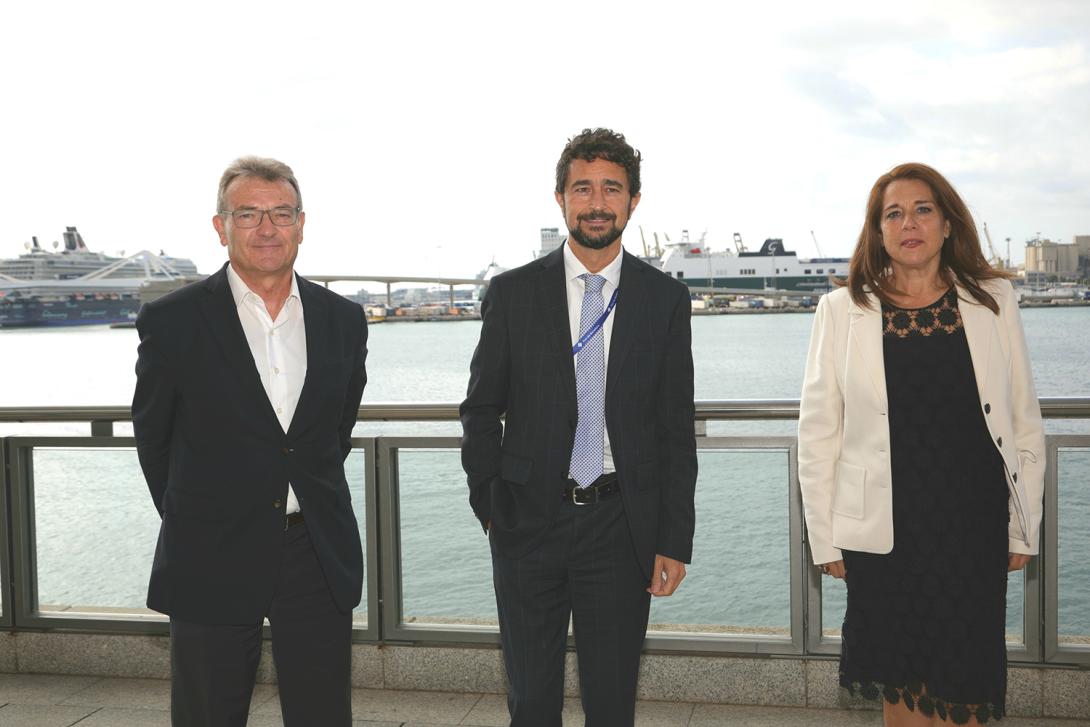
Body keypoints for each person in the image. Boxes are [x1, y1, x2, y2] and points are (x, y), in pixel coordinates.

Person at [460, 128, 697, 726]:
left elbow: (674, 427)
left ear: (633, 201)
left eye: (611, 189)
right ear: (560, 199)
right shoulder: (512, 293)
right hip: (526, 521)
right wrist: (490, 503)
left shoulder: (664, 299)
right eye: (582, 188)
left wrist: (673, 537)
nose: (597, 202)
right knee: (532, 700)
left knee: (612, 700)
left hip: (621, 526)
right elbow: (481, 408)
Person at [798, 162, 1044, 726]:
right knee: (902, 691)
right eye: (894, 213)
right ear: (878, 231)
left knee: (966, 692)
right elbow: (817, 432)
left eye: (923, 209)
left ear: (948, 224)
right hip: (884, 534)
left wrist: (1022, 522)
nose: (909, 223)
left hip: (971, 529)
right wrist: (825, 537)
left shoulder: (994, 300)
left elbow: (1024, 420)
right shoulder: (840, 311)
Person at [132, 156, 368, 727]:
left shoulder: (343, 320)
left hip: (314, 548)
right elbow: (153, 441)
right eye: (248, 214)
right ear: (221, 226)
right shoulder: (173, 322)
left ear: (302, 223)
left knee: (322, 713)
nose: (267, 228)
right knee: (209, 713)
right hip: (211, 548)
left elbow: (334, 430)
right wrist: (204, 514)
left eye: (280, 213)